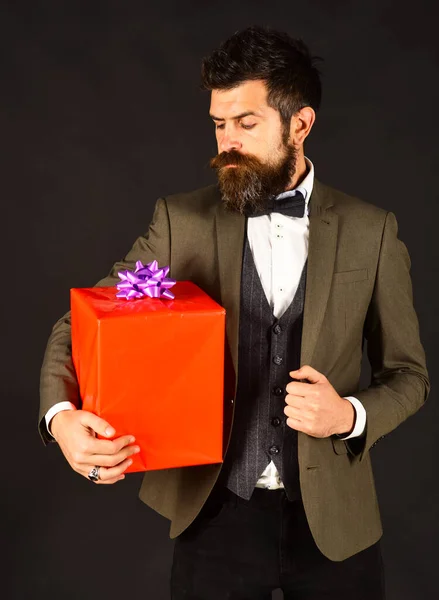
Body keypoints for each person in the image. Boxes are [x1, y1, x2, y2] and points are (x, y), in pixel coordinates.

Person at [39, 26, 430, 599]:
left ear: (300, 124)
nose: (227, 141)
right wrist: (60, 416)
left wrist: (348, 416)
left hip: (336, 524)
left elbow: (410, 377)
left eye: (246, 123)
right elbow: (80, 321)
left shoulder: (372, 231)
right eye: (219, 124)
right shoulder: (181, 221)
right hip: (215, 511)